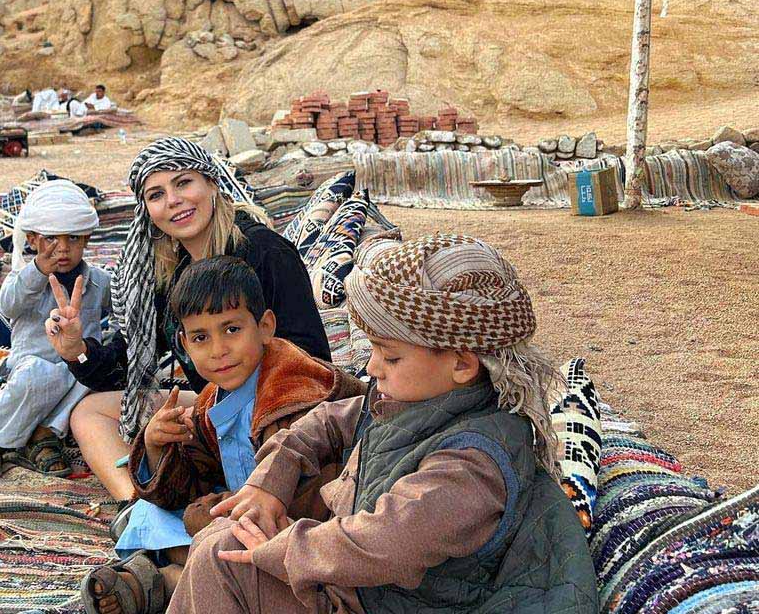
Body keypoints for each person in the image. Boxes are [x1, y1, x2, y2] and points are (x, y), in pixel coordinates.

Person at [168, 232, 598, 614]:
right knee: (221, 539)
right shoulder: (408, 399)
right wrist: (268, 483)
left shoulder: (472, 464)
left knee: (222, 557)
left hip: (386, 599)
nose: (372, 367)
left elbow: (383, 542)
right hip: (366, 589)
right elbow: (325, 423)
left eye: (390, 356)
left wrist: (283, 549)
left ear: (463, 364)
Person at [45, 136, 330, 512]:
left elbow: (312, 360)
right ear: (148, 210)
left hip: (276, 407)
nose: (173, 201)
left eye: (183, 183)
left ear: (211, 183)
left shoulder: (265, 253)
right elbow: (130, 368)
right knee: (90, 411)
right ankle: (133, 505)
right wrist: (76, 350)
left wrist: (225, 409)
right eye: (156, 194)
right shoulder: (167, 271)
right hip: (213, 400)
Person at [81, 257, 363, 614]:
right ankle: (165, 575)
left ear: (265, 327)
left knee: (219, 543)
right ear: (184, 342)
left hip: (301, 529)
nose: (218, 350)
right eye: (201, 337)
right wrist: (156, 446)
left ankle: (160, 580)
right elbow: (193, 481)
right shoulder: (211, 399)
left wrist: (207, 513)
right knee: (146, 514)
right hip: (240, 512)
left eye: (231, 329)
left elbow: (299, 503)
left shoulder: (293, 395)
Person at [0, 180, 111, 480]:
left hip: (77, 366)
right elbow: (7, 306)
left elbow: (120, 310)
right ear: (32, 240)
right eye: (50, 239)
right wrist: (37, 273)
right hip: (32, 366)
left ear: (86, 239)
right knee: (36, 374)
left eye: (73, 238)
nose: (62, 248)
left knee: (98, 374)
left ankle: (42, 435)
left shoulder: (98, 281)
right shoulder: (24, 278)